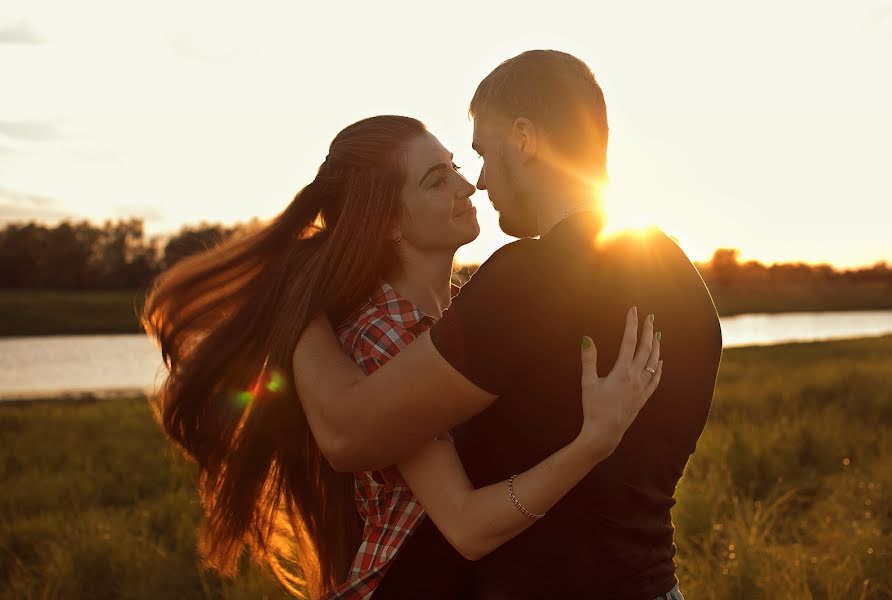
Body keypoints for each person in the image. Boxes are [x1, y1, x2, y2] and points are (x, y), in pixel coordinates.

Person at [142, 114, 661, 600]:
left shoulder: (455, 318)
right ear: (387, 223)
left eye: (455, 167)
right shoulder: (384, 338)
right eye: (436, 180)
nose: (466, 185)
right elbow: (466, 525)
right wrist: (594, 442)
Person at [293, 51, 722, 599]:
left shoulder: (530, 279)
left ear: (523, 138)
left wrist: (291, 305)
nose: (479, 180)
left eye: (481, 153)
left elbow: (348, 434)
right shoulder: (682, 279)